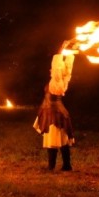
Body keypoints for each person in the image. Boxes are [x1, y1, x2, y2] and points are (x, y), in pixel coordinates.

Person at [33, 41, 75, 171]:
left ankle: (52, 166)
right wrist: (70, 52)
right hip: (57, 112)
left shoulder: (57, 81)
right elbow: (67, 69)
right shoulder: (63, 79)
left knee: (54, 139)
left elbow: (58, 68)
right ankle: (66, 165)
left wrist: (59, 51)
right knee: (62, 139)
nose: (51, 69)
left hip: (54, 114)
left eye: (54, 68)